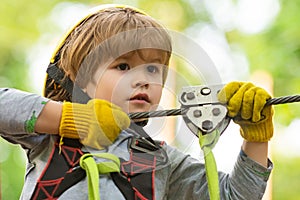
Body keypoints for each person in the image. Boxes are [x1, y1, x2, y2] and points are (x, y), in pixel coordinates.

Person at [0, 4, 274, 200]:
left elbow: (234, 195)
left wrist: (256, 136)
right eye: (122, 66)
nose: (143, 80)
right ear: (81, 78)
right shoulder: (50, 138)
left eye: (153, 70)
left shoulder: (162, 160)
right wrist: (71, 120)